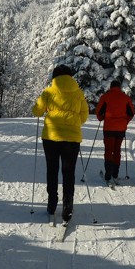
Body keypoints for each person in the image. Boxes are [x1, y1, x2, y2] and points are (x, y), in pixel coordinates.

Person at [32, 65, 89, 222]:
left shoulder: (48, 92)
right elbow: (84, 115)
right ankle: (68, 204)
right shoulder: (78, 93)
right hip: (72, 138)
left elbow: (36, 111)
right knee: (68, 171)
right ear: (70, 77)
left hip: (51, 137)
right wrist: (74, 121)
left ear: (54, 77)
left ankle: (52, 202)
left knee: (52, 169)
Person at [95, 80, 134, 182]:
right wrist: (125, 122)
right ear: (119, 87)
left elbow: (98, 113)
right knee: (117, 150)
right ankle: (115, 173)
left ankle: (108, 173)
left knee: (108, 150)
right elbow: (131, 113)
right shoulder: (125, 98)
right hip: (121, 128)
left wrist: (102, 117)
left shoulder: (105, 97)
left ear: (110, 87)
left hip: (109, 128)